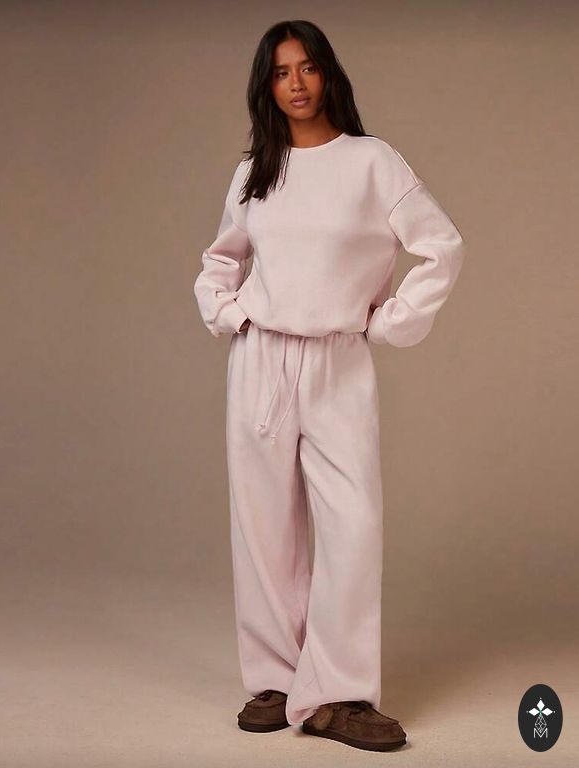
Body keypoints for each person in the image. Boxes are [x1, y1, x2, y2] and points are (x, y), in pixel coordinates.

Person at [193, 19, 466, 753]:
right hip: (261, 360)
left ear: (328, 75)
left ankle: (339, 694)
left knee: (352, 526)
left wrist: (390, 321)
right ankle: (277, 681)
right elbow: (221, 260)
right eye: (282, 71)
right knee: (263, 526)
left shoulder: (371, 162)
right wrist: (230, 313)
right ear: (267, 85)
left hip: (337, 360)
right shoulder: (255, 171)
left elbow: (441, 245)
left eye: (308, 67)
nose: (297, 83)